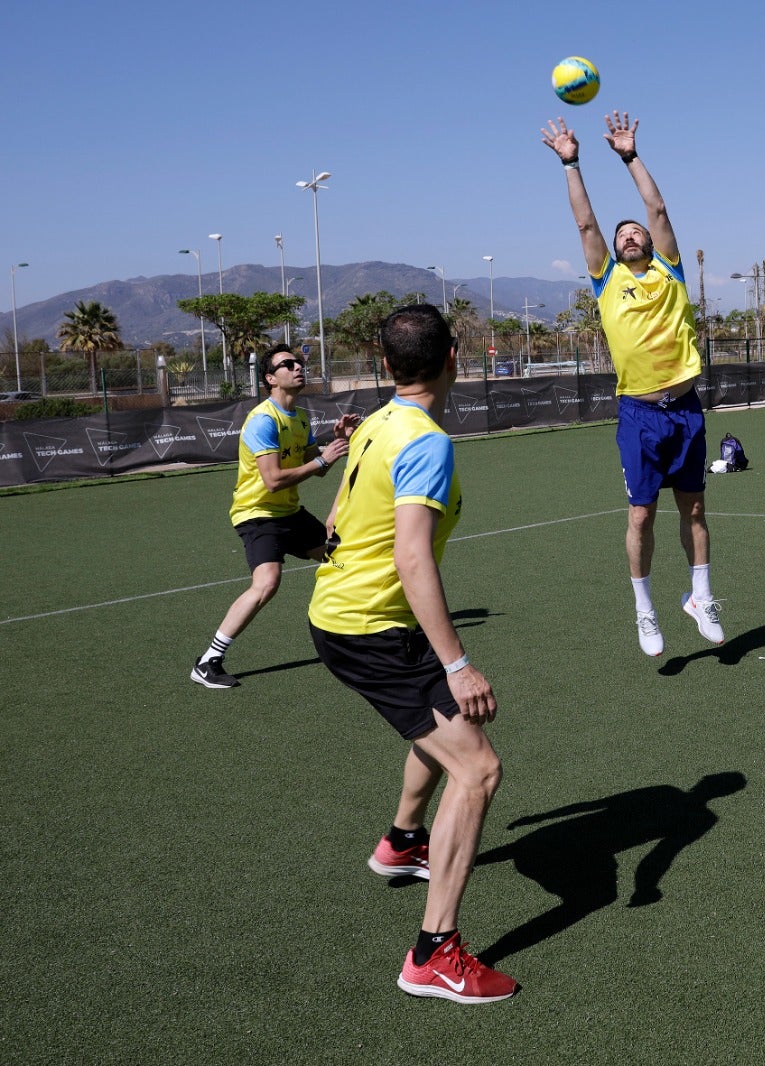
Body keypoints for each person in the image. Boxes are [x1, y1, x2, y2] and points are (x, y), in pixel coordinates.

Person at [308, 304, 517, 1004]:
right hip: (374, 629)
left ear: (384, 361)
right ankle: (434, 955)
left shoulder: (375, 422)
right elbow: (411, 556)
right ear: (456, 355)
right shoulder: (425, 441)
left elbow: (335, 518)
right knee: (479, 768)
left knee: (437, 731)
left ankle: (401, 843)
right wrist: (458, 664)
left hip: (346, 617)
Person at [542, 110, 722, 657]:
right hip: (639, 414)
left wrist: (629, 155)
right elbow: (586, 226)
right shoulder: (606, 278)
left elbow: (658, 207)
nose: (628, 236)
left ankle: (701, 596)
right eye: (622, 235)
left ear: (651, 241)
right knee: (641, 514)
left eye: (635, 231)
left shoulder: (670, 268)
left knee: (694, 509)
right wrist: (572, 163)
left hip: (685, 407)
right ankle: (644, 607)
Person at [189, 344, 358, 688]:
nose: (298, 367)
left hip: (289, 513)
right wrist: (323, 460)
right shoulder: (263, 419)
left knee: (341, 559)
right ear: (270, 378)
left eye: (299, 362)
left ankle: (356, 629)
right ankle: (208, 662)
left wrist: (336, 444)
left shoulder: (301, 417)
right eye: (288, 364)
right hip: (258, 514)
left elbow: (317, 467)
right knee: (267, 583)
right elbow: (272, 479)